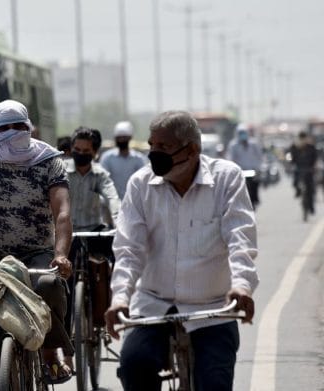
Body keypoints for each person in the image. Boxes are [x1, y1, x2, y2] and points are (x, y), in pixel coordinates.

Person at [103, 110, 258, 391]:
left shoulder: (226, 179)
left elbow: (240, 238)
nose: (154, 154)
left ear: (193, 150)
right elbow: (129, 248)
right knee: (133, 367)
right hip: (154, 305)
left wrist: (242, 286)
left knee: (215, 383)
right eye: (152, 146)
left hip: (213, 308)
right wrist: (120, 297)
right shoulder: (140, 184)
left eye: (164, 147)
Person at [0, 99, 74, 389]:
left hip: (37, 252)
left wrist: (60, 255)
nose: (12, 133)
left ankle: (50, 350)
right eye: (4, 128)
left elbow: (62, 212)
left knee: (49, 283)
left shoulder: (49, 161)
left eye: (19, 127)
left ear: (30, 128)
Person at [64, 126, 121, 368]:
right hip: (68, 232)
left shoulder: (100, 175)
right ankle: (66, 351)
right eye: (76, 150)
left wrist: (119, 222)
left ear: (95, 152)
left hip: (94, 230)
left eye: (86, 151)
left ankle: (110, 312)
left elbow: (112, 198)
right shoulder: (61, 172)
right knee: (62, 286)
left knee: (116, 262)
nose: (80, 154)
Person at [100, 120, 148, 199]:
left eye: (124, 138)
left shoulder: (139, 159)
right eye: (119, 138)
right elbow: (103, 182)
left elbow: (143, 182)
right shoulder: (107, 158)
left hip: (133, 202)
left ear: (130, 138)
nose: (121, 140)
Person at [226, 124, 263, 208]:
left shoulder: (253, 144)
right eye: (240, 133)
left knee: (255, 184)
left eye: (243, 132)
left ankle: (255, 199)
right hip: (241, 171)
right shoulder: (233, 145)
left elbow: (259, 156)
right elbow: (230, 157)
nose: (242, 134)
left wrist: (258, 168)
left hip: (252, 170)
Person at [288, 131, 318, 212]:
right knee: (295, 182)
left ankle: (311, 207)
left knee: (311, 189)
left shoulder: (311, 147)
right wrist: (291, 165)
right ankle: (298, 191)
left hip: (309, 169)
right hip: (298, 169)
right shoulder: (294, 147)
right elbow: (291, 158)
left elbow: (315, 158)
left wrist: (314, 167)